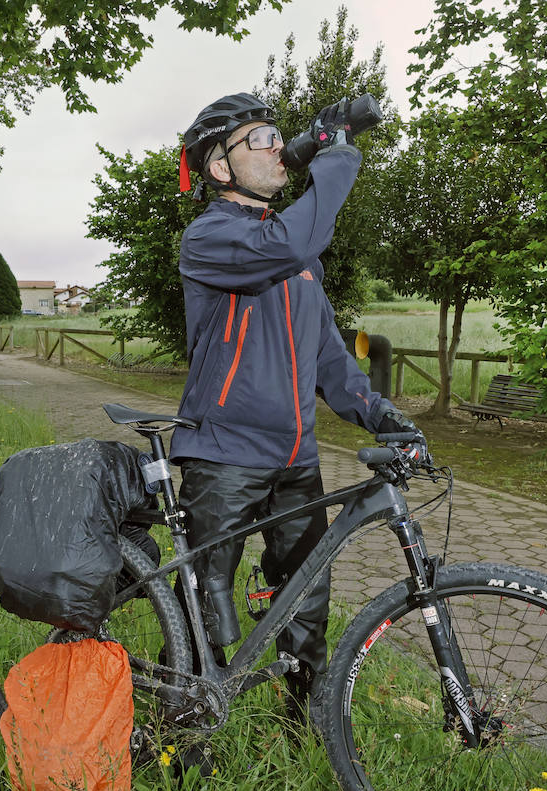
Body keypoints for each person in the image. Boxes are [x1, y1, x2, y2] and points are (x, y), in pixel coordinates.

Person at [172, 92, 423, 723]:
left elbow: (331, 359)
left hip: (296, 459)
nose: (276, 146)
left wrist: (380, 412)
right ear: (221, 167)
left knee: (306, 601)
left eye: (280, 135)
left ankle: (304, 731)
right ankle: (186, 738)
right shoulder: (212, 236)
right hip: (225, 455)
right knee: (207, 604)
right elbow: (289, 242)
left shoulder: (297, 260)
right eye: (259, 138)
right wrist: (335, 158)